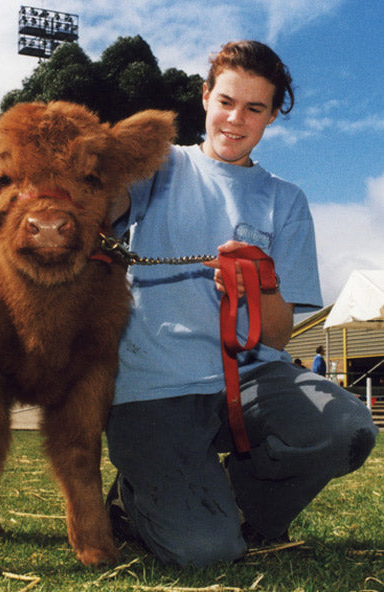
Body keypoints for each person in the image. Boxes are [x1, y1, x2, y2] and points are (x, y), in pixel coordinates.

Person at [105, 40, 378, 567]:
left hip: (250, 375)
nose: (235, 119)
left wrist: (264, 285)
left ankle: (235, 507)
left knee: (346, 429)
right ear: (205, 97)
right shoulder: (158, 166)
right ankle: (135, 502)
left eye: (255, 108)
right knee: (204, 552)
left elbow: (276, 336)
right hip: (154, 383)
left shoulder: (286, 199)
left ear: (273, 115)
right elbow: (104, 202)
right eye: (226, 101)